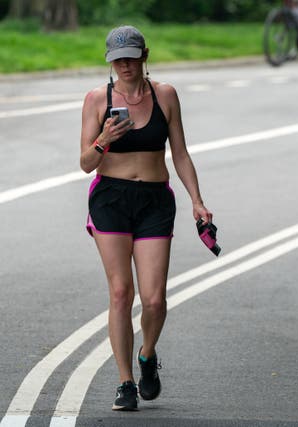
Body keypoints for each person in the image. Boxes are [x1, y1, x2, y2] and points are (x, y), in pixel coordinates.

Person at [80, 25, 213, 411]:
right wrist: (104, 138)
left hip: (156, 199)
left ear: (144, 55)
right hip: (110, 199)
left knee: (154, 300)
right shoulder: (95, 100)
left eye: (130, 57)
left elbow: (181, 153)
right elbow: (86, 163)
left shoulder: (166, 95)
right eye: (116, 59)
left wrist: (197, 201)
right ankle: (124, 382)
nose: (124, 65)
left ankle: (147, 355)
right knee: (122, 292)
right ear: (109, 62)